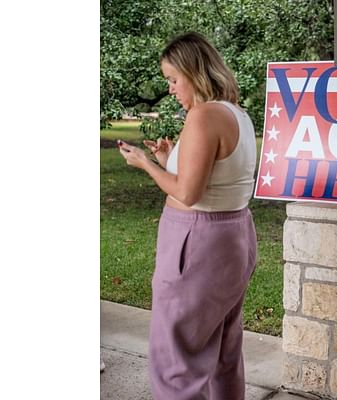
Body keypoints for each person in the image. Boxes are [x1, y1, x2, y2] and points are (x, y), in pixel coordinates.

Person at [118, 32, 258, 400]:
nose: (171, 89)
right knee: (223, 350)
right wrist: (170, 160)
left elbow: (187, 193)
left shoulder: (203, 115)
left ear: (193, 72)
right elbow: (215, 179)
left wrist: (145, 164)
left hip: (197, 243)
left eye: (173, 79)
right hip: (234, 237)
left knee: (176, 357)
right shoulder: (237, 115)